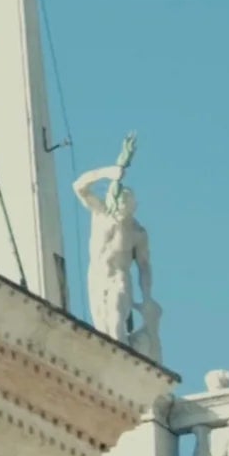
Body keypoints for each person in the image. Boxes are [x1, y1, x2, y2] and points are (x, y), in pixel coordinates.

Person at [73, 138, 159, 357]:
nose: (122, 207)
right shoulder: (101, 215)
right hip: (97, 278)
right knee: (102, 329)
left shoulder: (137, 233)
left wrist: (147, 296)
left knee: (116, 322)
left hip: (119, 279)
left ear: (134, 207)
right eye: (120, 202)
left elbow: (144, 266)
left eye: (127, 204)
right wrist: (107, 172)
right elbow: (79, 187)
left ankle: (120, 358)